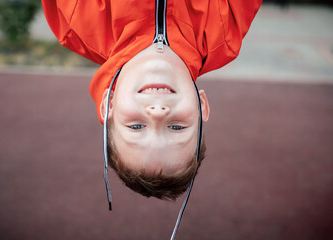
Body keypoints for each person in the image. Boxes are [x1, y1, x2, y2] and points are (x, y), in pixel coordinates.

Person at [41, 0, 261, 201]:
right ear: (201, 105)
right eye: (176, 127)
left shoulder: (73, 21)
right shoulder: (228, 28)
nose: (158, 112)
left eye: (137, 126)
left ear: (108, 103)